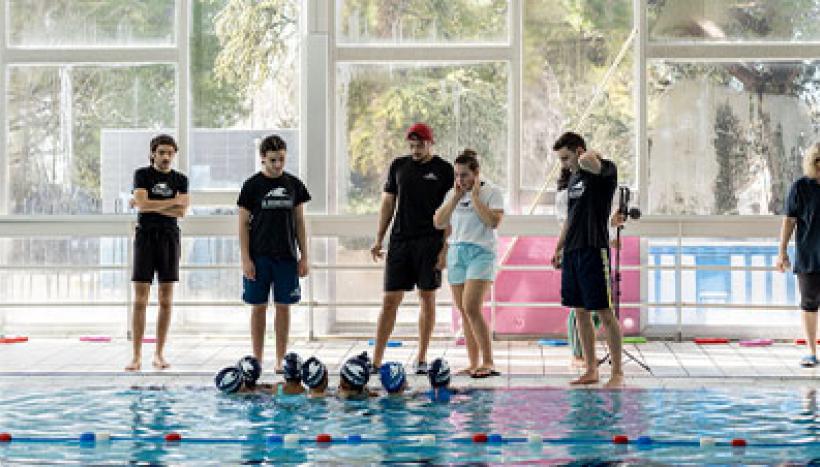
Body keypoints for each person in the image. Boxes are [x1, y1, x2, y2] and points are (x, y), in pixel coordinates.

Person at [370, 123, 454, 374]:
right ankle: (375, 361)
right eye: (412, 146)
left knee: (427, 298)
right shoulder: (399, 166)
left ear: (431, 143)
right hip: (400, 241)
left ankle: (421, 358)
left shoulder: (444, 170)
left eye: (420, 145)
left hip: (430, 242)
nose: (416, 150)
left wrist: (445, 249)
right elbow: (388, 204)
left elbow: (451, 213)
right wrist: (379, 238)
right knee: (390, 300)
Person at [550, 132, 624, 388]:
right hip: (573, 251)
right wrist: (559, 248)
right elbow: (570, 219)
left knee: (604, 312)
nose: (563, 164)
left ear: (580, 152)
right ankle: (591, 369)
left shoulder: (605, 171)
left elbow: (591, 162)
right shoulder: (573, 180)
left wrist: (584, 157)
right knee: (580, 312)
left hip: (594, 249)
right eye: (561, 160)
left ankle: (617, 373)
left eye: (566, 158)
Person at [238, 135, 311, 372]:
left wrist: (305, 255)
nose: (278, 164)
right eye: (272, 160)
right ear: (262, 158)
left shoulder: (294, 185)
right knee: (258, 307)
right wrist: (246, 258)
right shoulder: (251, 186)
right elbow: (242, 224)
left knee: (283, 306)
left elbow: (300, 222)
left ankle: (280, 359)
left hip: (286, 257)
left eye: (281, 159)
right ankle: (257, 360)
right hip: (259, 256)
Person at [433, 149, 504, 378]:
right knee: (464, 311)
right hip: (457, 253)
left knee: (472, 306)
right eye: (457, 175)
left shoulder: (492, 192)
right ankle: (473, 363)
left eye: (464, 175)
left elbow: (493, 222)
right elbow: (438, 222)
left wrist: (474, 198)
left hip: (481, 253)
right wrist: (455, 198)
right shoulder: (452, 194)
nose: (460, 180)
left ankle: (488, 361)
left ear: (476, 173)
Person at [126, 134, 189, 372]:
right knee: (140, 299)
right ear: (153, 153)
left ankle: (159, 354)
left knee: (166, 299)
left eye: (170, 153)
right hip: (145, 238)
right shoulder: (142, 174)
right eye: (162, 152)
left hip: (169, 238)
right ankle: (136, 356)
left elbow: (181, 212)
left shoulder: (180, 179)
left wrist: (146, 204)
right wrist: (170, 202)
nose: (166, 157)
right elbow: (144, 205)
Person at [776, 142, 820, 367]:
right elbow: (789, 220)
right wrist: (782, 251)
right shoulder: (801, 187)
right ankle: (811, 352)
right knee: (809, 303)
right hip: (809, 257)